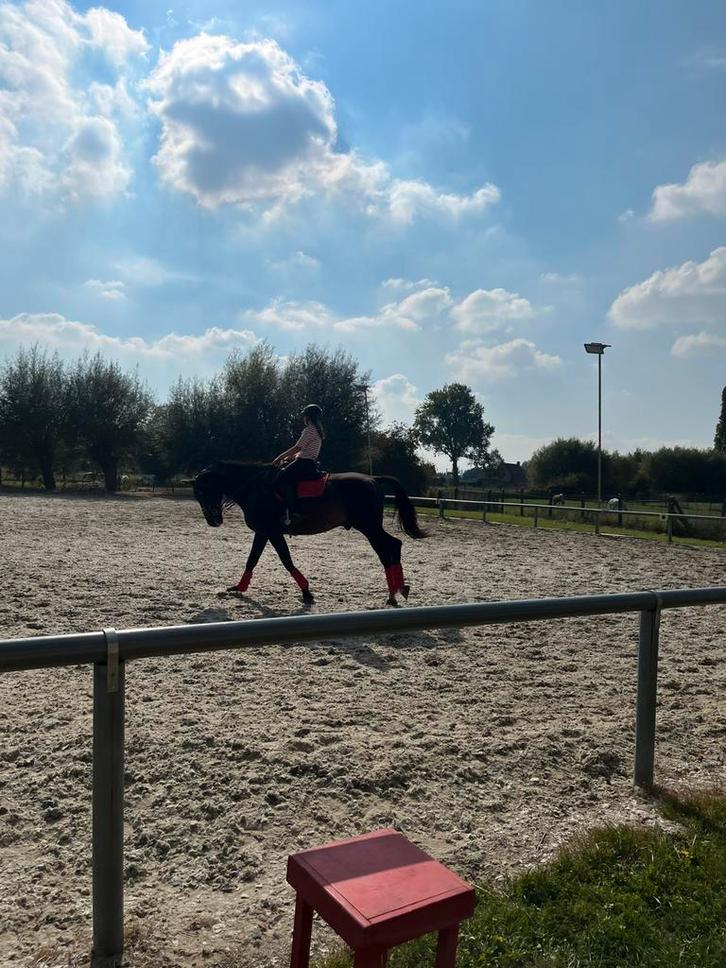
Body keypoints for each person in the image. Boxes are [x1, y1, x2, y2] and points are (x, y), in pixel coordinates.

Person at [273, 404, 325, 526]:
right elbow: (304, 451)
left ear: (308, 417)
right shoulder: (318, 430)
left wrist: (280, 457)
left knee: (280, 479)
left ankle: (293, 511)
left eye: (304, 416)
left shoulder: (309, 430)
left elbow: (298, 447)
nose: (303, 419)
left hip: (302, 463)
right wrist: (288, 458)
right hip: (309, 463)